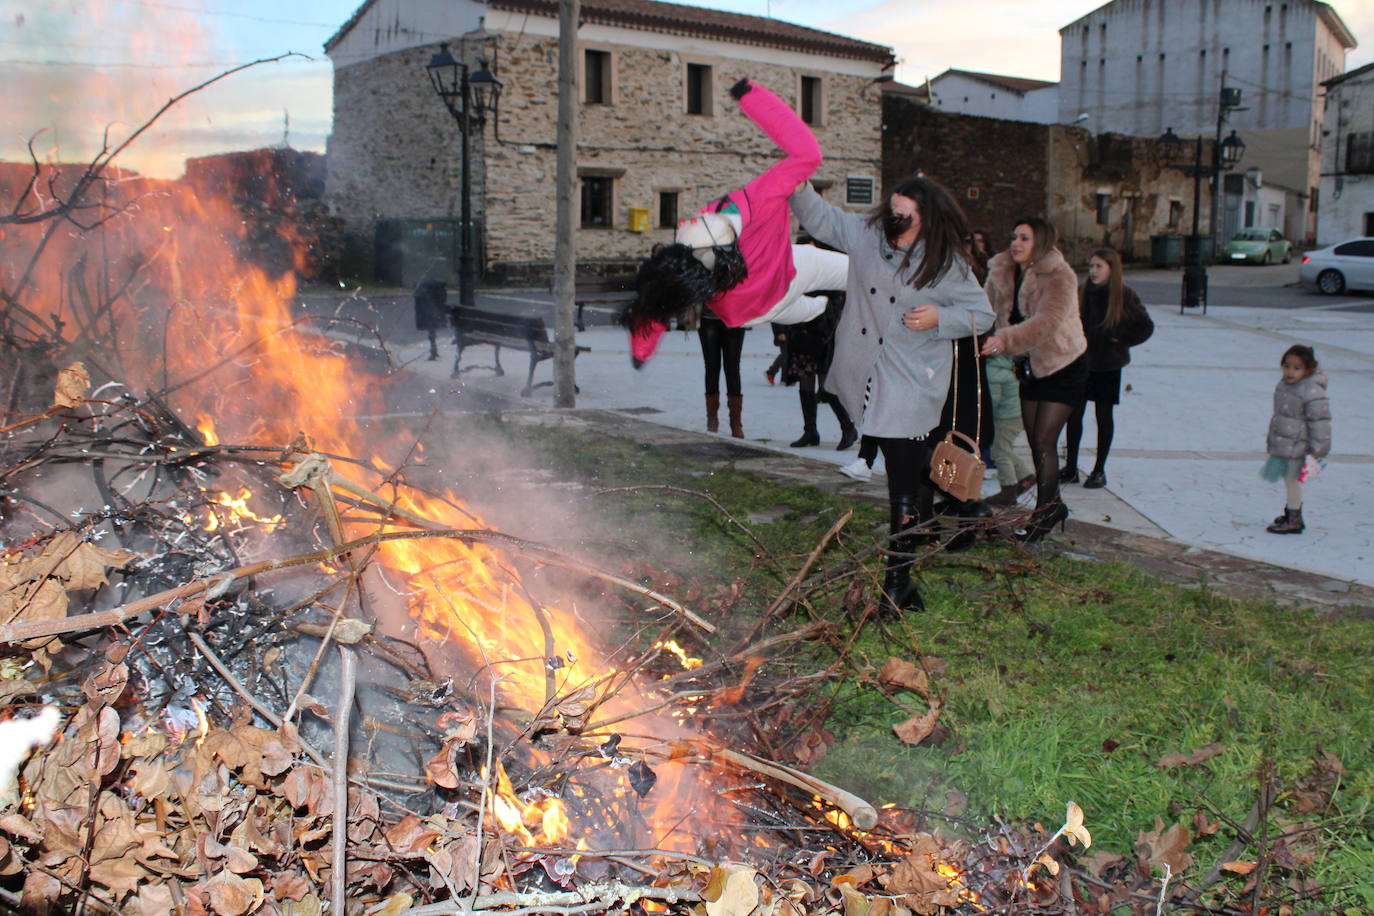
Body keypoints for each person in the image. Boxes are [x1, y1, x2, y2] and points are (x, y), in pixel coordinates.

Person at [792, 175, 995, 615]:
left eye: (903, 215)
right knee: (911, 466)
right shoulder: (867, 234)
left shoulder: (946, 263)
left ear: (926, 219)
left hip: (911, 379)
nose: (893, 220)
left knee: (901, 482)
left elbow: (983, 313)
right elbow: (822, 219)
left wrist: (941, 316)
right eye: (891, 210)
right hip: (866, 371)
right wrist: (797, 181)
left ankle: (897, 585)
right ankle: (956, 505)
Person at [622, 78, 848, 383]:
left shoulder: (689, 248)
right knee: (853, 273)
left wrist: (641, 352)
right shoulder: (758, 199)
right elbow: (808, 155)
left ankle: (819, 308)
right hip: (789, 274)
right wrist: (750, 96)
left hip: (746, 312)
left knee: (810, 309)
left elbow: (657, 301)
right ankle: (825, 304)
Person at [980, 218, 1085, 542]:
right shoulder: (1003, 270)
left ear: (1040, 242)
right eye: (1014, 236)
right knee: (1035, 439)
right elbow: (984, 310)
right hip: (1028, 366)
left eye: (1024, 238)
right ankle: (1052, 506)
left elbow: (1048, 320)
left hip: (1063, 363)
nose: (1016, 243)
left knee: (1043, 442)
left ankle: (1045, 512)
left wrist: (1005, 340)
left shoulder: (1059, 275)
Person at [1062, 247, 1154, 489]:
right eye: (1091, 266)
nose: (1093, 271)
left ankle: (1099, 470)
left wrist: (1120, 338)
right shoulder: (1081, 292)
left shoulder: (1124, 295)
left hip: (1108, 364)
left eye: (1099, 266)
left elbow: (1145, 326)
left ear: (1111, 269)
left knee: (1103, 417)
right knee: (1073, 416)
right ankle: (1071, 467)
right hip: (1080, 363)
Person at [1262, 345, 1331, 535]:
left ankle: (1294, 518)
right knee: (1288, 479)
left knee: (1292, 480)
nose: (1290, 371)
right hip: (1285, 442)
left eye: (1297, 368)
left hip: (1299, 446)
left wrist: (1317, 450)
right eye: (1287, 366)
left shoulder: (1312, 391)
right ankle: (1291, 512)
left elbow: (1320, 423)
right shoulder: (1285, 384)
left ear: (1308, 369)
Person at [779, 292, 857, 449]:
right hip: (801, 331)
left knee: (826, 386)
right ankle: (810, 431)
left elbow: (837, 301)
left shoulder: (829, 275)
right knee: (805, 382)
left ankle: (848, 427)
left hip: (823, 335)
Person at [984, 351, 1035, 507]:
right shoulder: (1007, 365)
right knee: (1004, 449)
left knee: (999, 452)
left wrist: (985, 418)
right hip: (1016, 414)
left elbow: (993, 401)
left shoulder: (992, 370)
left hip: (1005, 417)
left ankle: (1008, 490)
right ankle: (1025, 476)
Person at [698, 306, 748, 437]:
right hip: (708, 317)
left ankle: (736, 422)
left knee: (732, 368)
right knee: (711, 367)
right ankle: (712, 420)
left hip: (734, 317)